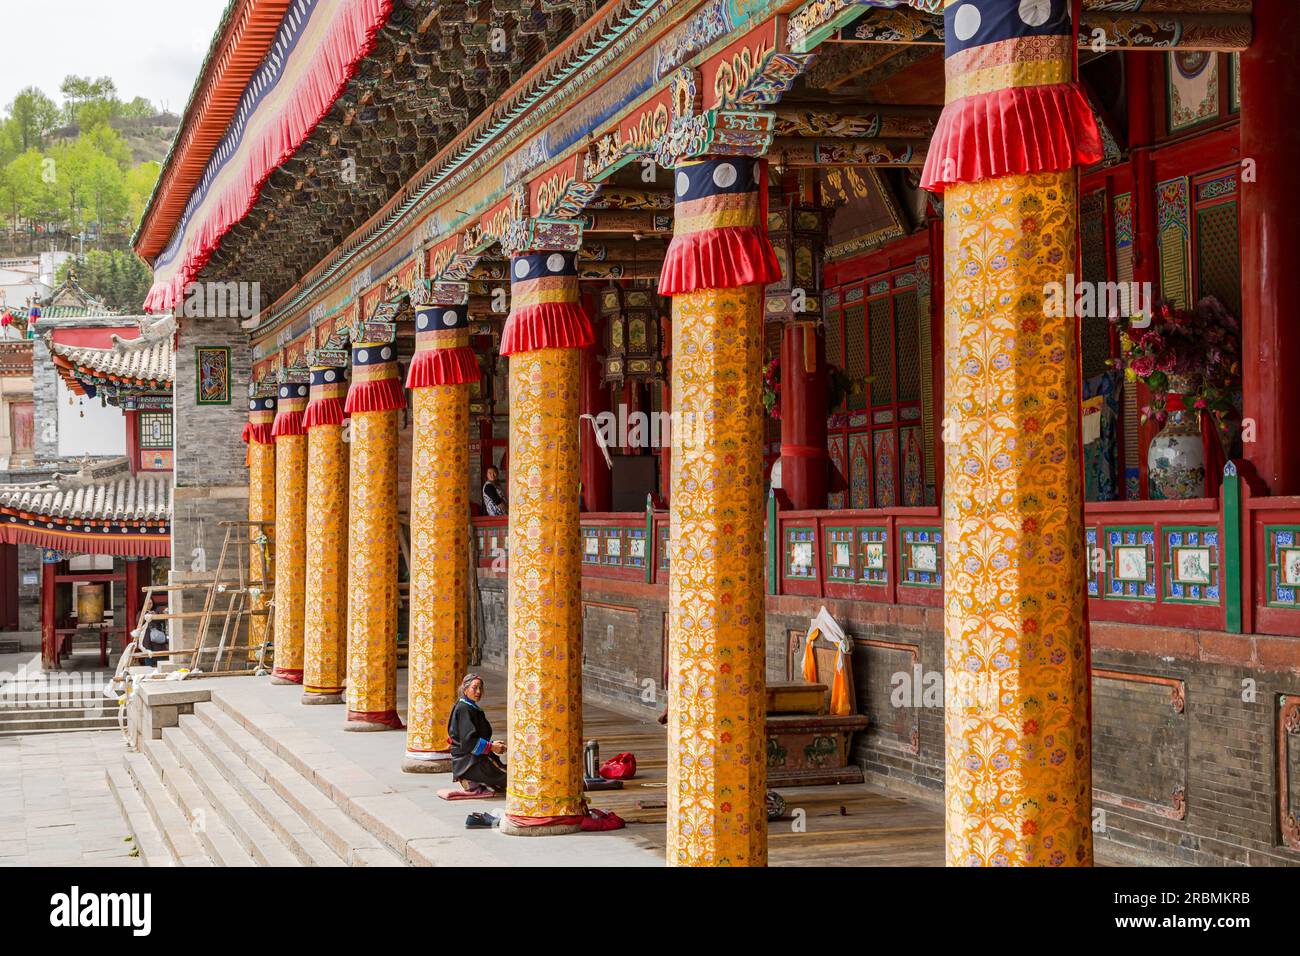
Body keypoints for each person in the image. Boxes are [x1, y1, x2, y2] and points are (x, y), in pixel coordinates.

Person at [448, 673, 507, 793]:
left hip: (474, 758)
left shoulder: (468, 706)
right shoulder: (464, 709)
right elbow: (468, 741)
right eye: (474, 688)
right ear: (465, 690)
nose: (478, 691)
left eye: (480, 688)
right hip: (469, 762)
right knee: (509, 780)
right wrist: (491, 747)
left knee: (504, 775)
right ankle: (469, 777)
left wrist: (491, 744)